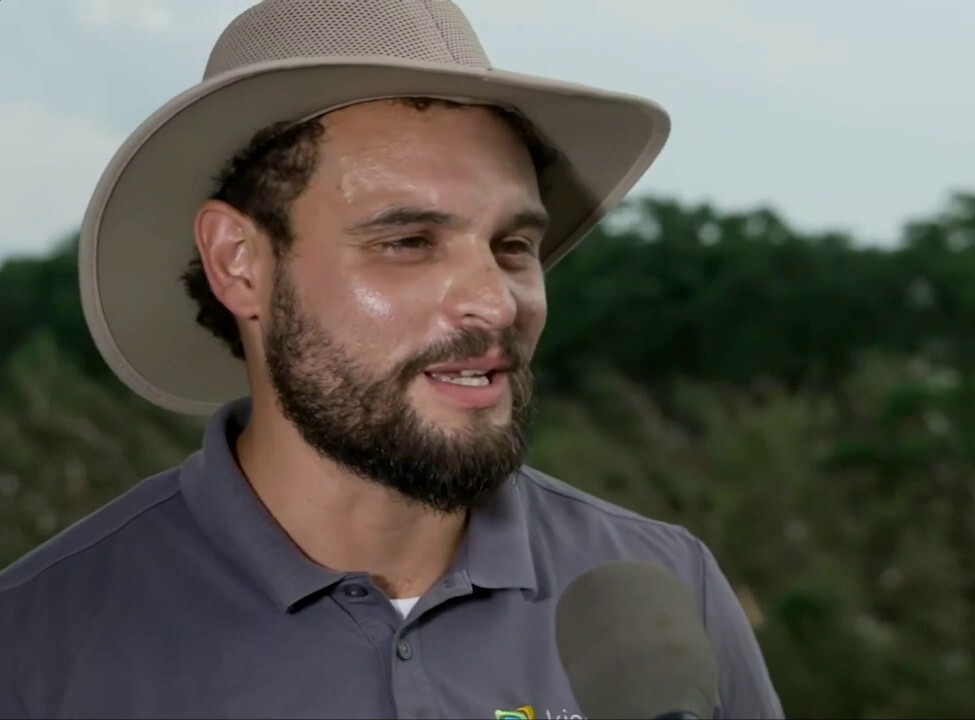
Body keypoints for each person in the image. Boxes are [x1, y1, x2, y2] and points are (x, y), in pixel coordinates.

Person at [0, 1, 784, 719]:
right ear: (239, 263)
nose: (497, 302)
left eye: (513, 246)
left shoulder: (668, 587)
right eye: (408, 243)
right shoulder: (38, 647)